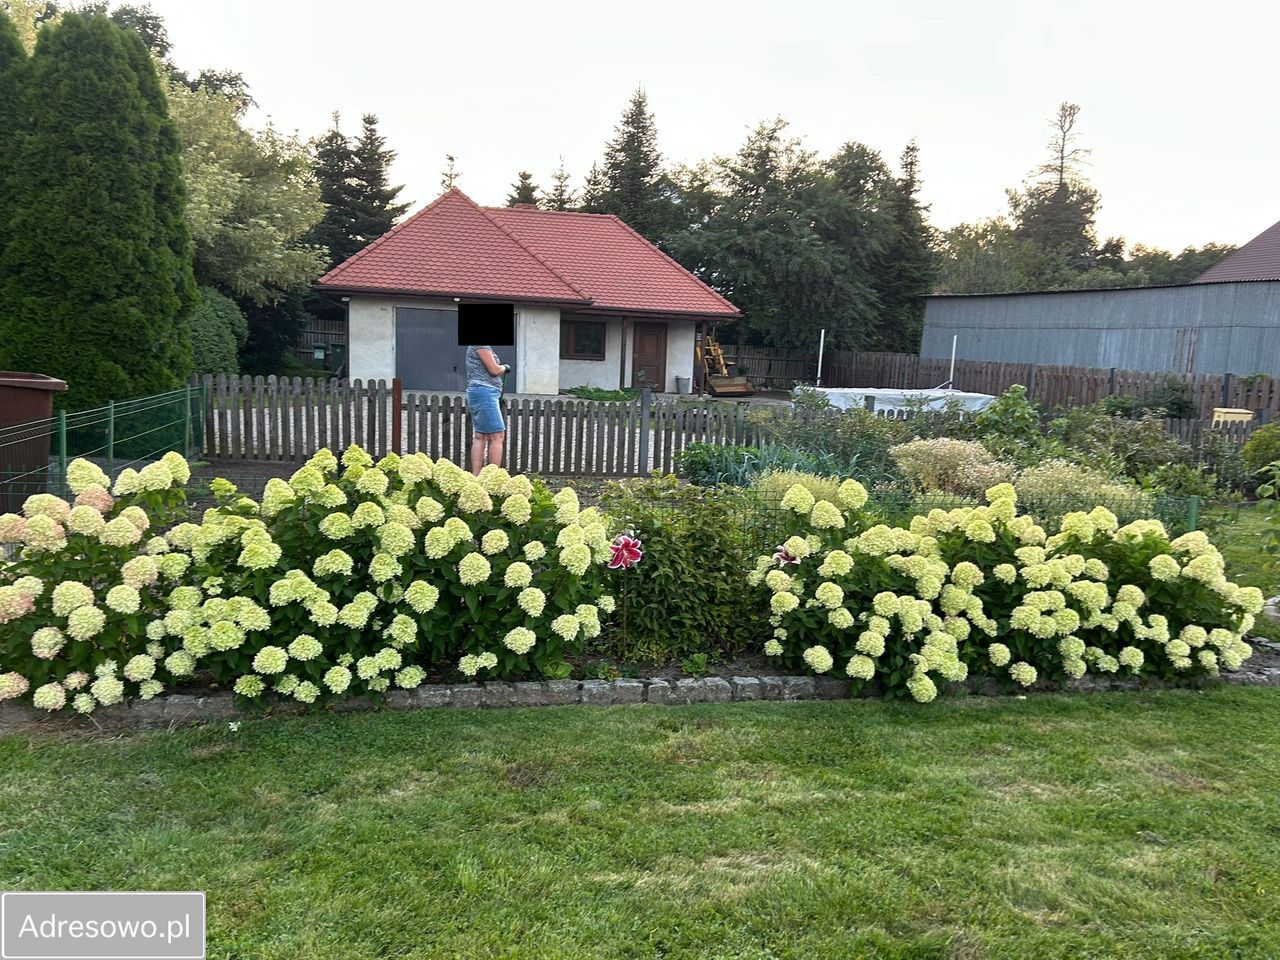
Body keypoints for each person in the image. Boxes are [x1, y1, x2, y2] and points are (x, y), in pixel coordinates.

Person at [465, 344, 510, 475]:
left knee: (481, 435)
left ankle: (477, 477)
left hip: (482, 391)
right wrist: (505, 367)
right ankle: (492, 479)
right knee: (497, 435)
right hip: (484, 391)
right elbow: (494, 370)